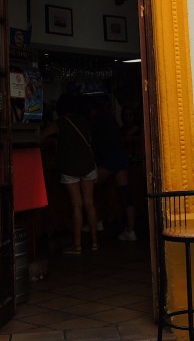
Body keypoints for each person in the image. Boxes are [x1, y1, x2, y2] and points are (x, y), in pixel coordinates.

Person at [42, 94, 98, 254]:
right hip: (88, 164)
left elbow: (40, 137)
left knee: (76, 205)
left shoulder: (60, 123)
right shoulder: (85, 121)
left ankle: (77, 245)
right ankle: (94, 242)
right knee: (90, 204)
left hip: (70, 167)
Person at [89, 95, 136, 242]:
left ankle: (97, 222)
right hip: (120, 158)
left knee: (90, 188)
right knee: (126, 193)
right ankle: (131, 230)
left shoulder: (96, 121)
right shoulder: (111, 119)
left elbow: (95, 143)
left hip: (108, 160)